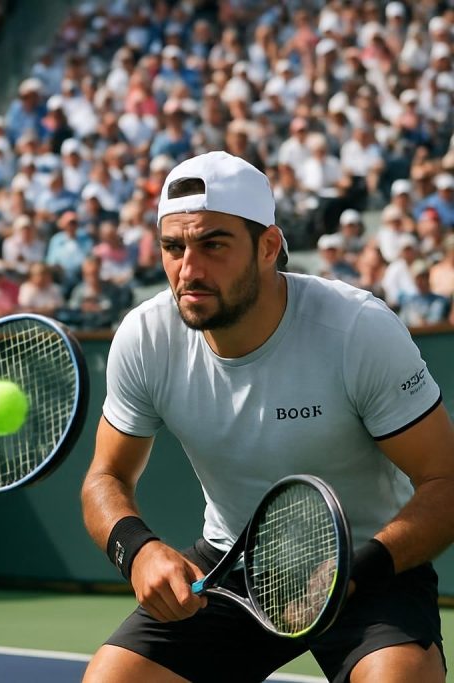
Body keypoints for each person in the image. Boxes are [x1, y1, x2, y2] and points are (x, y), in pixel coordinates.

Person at [81, 151, 453, 682]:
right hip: (234, 565)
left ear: (269, 247)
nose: (189, 269)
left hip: (370, 566)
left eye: (213, 244)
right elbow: (105, 477)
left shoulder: (357, 330)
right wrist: (137, 551)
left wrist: (357, 569)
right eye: (173, 247)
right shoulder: (144, 337)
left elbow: (446, 482)